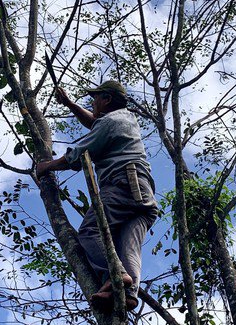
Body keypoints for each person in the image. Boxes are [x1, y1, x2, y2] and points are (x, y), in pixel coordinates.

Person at [36, 81, 158, 311]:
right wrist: (71, 105)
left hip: (122, 184)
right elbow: (94, 124)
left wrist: (46, 167)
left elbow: (78, 154)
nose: (92, 102)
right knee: (127, 247)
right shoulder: (125, 119)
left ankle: (116, 275)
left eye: (96, 98)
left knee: (91, 232)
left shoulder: (110, 122)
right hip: (143, 196)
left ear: (107, 99)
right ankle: (128, 294)